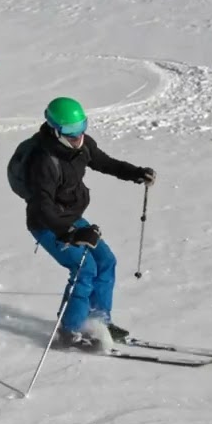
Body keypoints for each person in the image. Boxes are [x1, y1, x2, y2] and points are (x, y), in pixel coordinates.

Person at [22, 97, 156, 351]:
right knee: (85, 270)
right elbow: (43, 206)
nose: (78, 135)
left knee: (106, 261)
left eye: (81, 126)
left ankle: (98, 322)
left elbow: (105, 163)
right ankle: (69, 331)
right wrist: (69, 233)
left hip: (72, 217)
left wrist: (135, 173)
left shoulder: (83, 145)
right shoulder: (42, 160)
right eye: (71, 131)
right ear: (55, 129)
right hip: (46, 223)